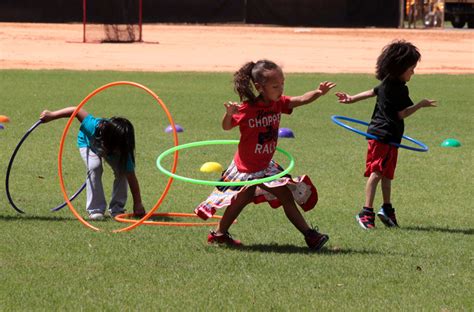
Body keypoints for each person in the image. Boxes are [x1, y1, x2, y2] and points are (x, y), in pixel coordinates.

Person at [194, 59, 336, 250]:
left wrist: (318, 92)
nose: (281, 89)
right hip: (246, 167)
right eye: (275, 86)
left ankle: (310, 235)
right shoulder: (246, 109)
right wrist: (229, 114)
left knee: (285, 195)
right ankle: (219, 234)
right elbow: (227, 127)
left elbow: (301, 99)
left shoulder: (279, 103)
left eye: (282, 84)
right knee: (241, 199)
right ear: (260, 87)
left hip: (265, 165)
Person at [335, 40, 436, 230]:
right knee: (378, 173)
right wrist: (420, 104)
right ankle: (366, 212)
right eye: (411, 68)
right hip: (383, 135)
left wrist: (351, 99)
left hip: (388, 136)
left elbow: (372, 92)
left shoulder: (388, 82)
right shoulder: (398, 88)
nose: (413, 72)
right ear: (400, 68)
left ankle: (387, 209)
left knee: (387, 174)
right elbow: (402, 113)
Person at [40, 107, 146, 220]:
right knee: (95, 166)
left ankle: (117, 209)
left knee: (123, 172)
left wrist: (138, 204)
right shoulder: (93, 126)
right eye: (117, 148)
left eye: (121, 148)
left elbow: (132, 178)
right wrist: (52, 115)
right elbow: (76, 110)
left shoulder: (123, 151)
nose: (119, 151)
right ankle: (95, 210)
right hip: (88, 143)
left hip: (107, 146)